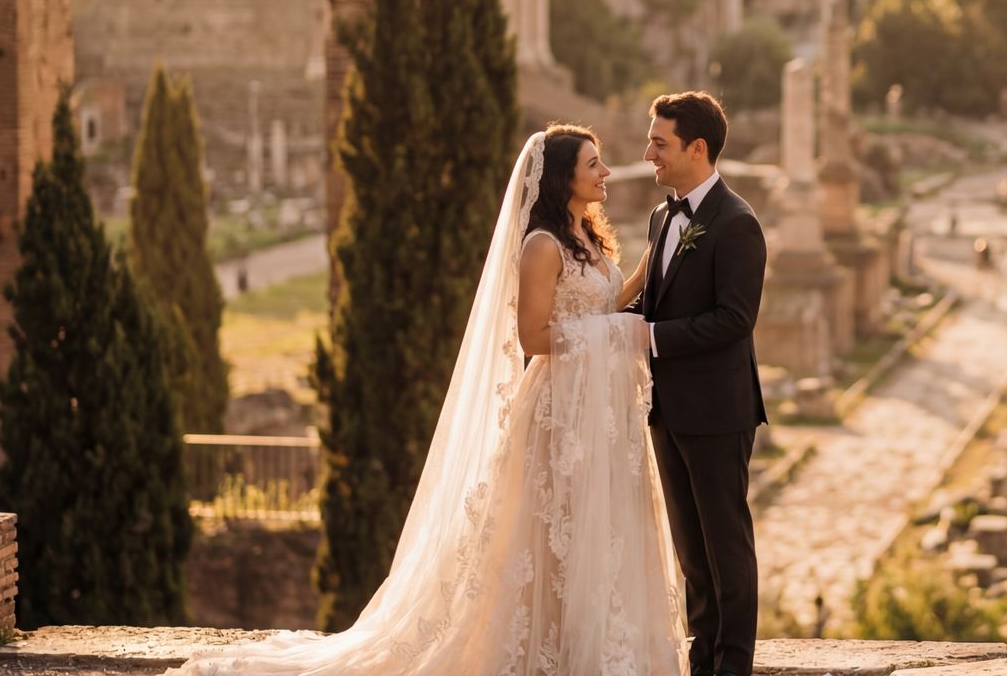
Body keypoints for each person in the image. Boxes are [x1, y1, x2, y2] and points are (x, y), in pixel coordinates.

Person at [168, 124, 686, 675]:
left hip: (599, 412)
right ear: (564, 178)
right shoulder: (542, 246)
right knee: (550, 530)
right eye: (593, 164)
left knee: (592, 532)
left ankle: (583, 645)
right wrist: (611, 334)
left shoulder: (591, 238)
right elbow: (534, 337)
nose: (605, 172)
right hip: (560, 411)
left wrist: (647, 270)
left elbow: (603, 301)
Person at [630, 91, 768, 676]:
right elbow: (651, 301)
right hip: (668, 409)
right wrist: (607, 328)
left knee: (726, 548)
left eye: (660, 143)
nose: (649, 153)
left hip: (718, 411)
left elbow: (735, 319)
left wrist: (653, 339)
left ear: (697, 148)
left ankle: (732, 665)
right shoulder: (664, 216)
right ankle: (702, 660)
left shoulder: (738, 223)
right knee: (692, 552)